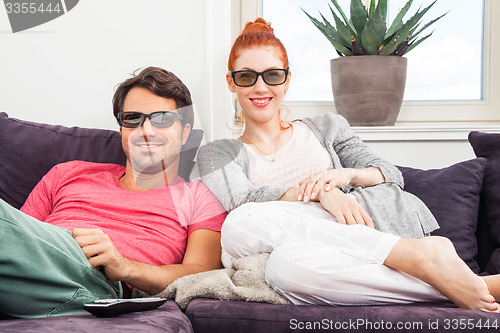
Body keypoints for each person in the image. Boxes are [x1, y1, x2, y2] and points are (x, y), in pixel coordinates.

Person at [197, 18, 500, 312]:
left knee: (242, 224)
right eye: (247, 76)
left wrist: (340, 177)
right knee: (255, 238)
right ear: (231, 82)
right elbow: (243, 199)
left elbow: (389, 174)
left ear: (287, 80)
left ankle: (416, 257)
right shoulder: (217, 153)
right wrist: (321, 193)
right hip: (304, 253)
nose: (260, 87)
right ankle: (462, 279)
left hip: (355, 231)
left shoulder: (329, 127)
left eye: (273, 75)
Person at [0, 66, 227, 318]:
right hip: (31, 268)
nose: (146, 130)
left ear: (185, 133)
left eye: (162, 119)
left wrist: (126, 267)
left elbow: (201, 274)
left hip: (98, 282)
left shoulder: (199, 196)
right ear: (122, 130)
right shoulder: (67, 173)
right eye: (133, 118)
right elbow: (19, 235)